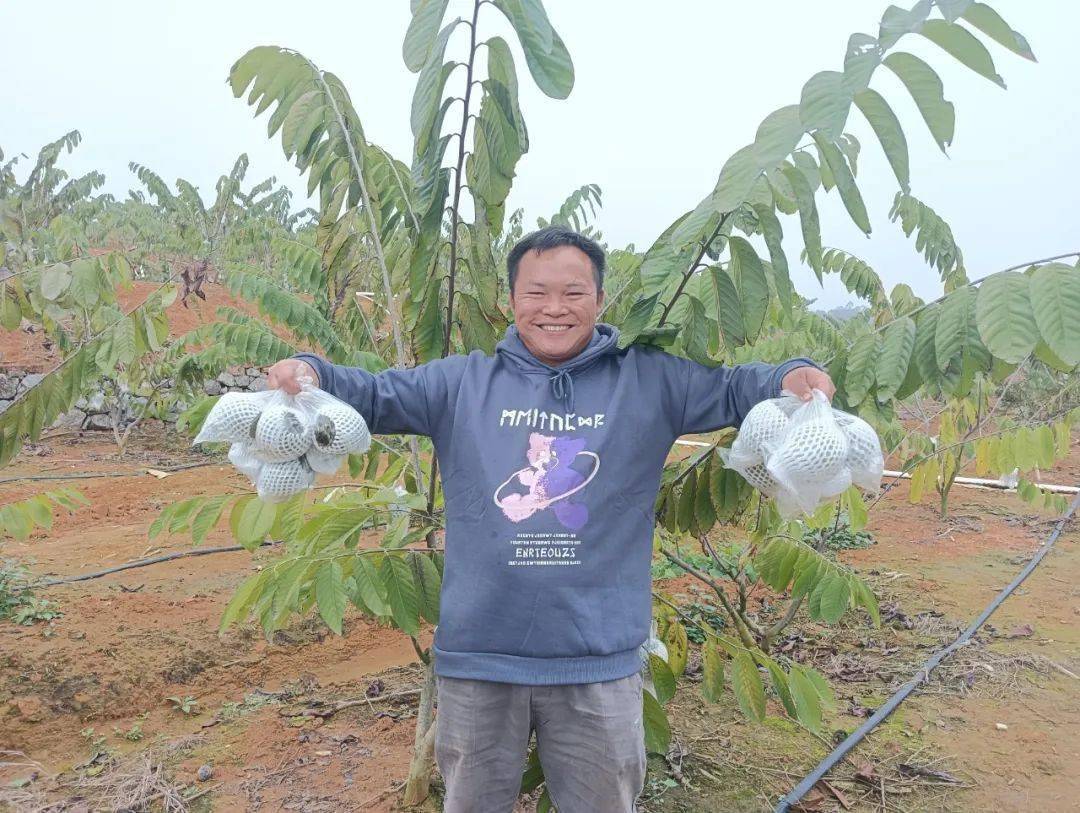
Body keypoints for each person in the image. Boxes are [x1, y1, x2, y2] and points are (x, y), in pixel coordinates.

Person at [267, 226, 834, 812]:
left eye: (574, 293)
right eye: (537, 293)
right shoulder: (461, 382)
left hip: (598, 660)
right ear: (511, 301)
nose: (555, 309)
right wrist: (311, 373)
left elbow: (737, 387)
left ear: (599, 299)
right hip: (480, 658)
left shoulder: (648, 380)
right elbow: (374, 396)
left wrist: (790, 375)